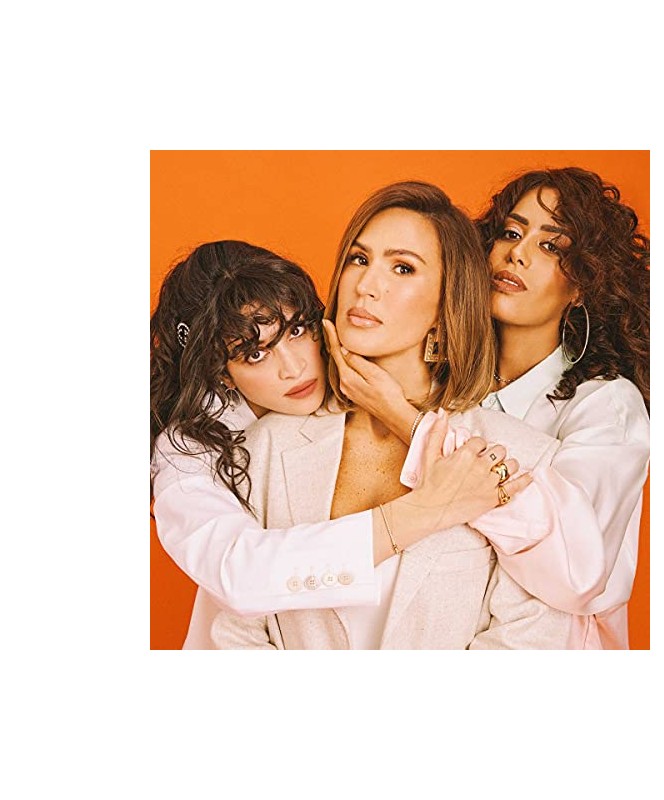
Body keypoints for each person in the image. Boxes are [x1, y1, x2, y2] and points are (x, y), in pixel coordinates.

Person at [211, 182, 577, 650]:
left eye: (402, 267)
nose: (366, 285)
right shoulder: (266, 446)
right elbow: (233, 632)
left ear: (446, 304)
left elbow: (530, 638)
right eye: (358, 259)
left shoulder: (519, 455)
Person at [303, 168, 650, 649]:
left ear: (582, 285)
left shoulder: (604, 406)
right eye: (510, 233)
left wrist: (403, 418)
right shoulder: (450, 387)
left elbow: (575, 574)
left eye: (551, 246)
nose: (517, 253)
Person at [151, 240, 531, 649]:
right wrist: (427, 509)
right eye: (255, 354)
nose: (294, 368)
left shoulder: (358, 392)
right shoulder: (185, 455)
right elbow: (242, 575)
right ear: (220, 374)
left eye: (296, 331)